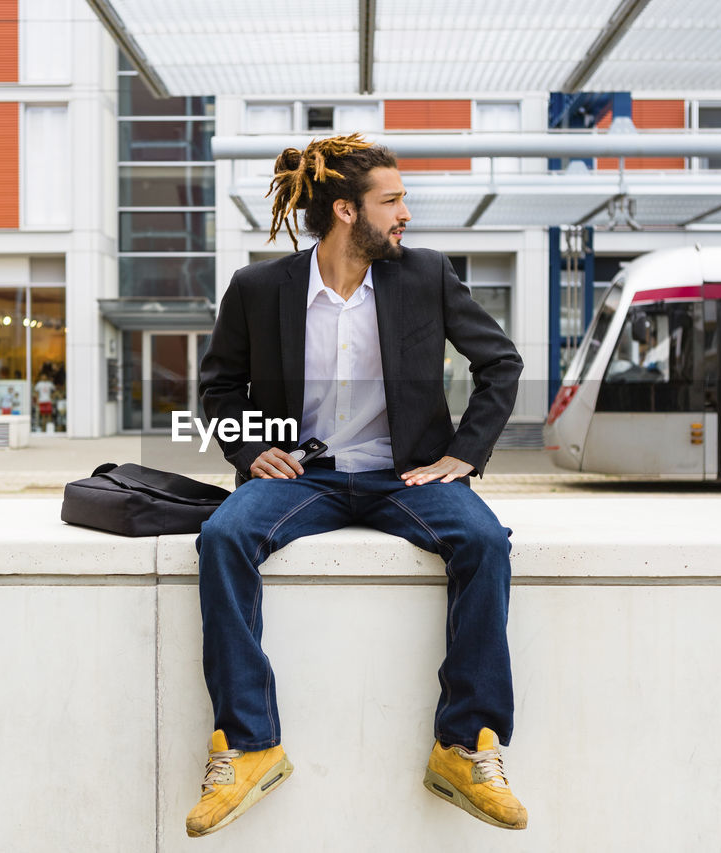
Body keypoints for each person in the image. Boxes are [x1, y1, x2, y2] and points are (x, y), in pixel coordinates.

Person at [186, 134, 525, 837]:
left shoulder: (426, 275)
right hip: (303, 475)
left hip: (406, 475)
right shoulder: (259, 288)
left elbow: (501, 363)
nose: (406, 212)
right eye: (392, 200)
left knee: (485, 541)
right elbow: (218, 388)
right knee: (222, 536)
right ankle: (250, 745)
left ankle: (464, 746)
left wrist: (464, 455)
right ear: (346, 210)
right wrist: (251, 449)